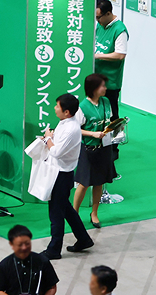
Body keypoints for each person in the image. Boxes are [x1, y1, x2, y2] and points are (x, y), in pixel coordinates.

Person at [41, 94, 94, 260]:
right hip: (59, 172)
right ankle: (84, 239)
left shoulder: (71, 129)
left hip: (61, 174)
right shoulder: (64, 122)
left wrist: (48, 139)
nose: (55, 108)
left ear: (67, 112)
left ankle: (54, 249)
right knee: (66, 209)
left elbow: (56, 151)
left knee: (56, 212)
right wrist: (50, 139)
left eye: (57, 106)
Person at [73, 73, 116, 228]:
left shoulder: (106, 102)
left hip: (104, 148)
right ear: (94, 88)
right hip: (88, 149)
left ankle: (94, 213)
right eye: (102, 86)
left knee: (99, 182)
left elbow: (109, 121)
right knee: (83, 183)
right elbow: (75, 129)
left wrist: (115, 127)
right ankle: (74, 214)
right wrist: (93, 134)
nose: (105, 88)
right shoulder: (82, 107)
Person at [0, 225, 59, 295]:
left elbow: (52, 287)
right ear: (12, 244)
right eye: (20, 244)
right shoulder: (5, 265)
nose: (24, 248)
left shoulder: (43, 261)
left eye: (27, 244)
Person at [93, 0, 128, 120]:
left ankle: (115, 130)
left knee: (111, 112)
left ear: (108, 13)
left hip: (110, 80)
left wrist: (97, 56)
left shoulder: (119, 30)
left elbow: (120, 55)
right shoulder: (100, 25)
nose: (97, 20)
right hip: (96, 76)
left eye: (99, 17)